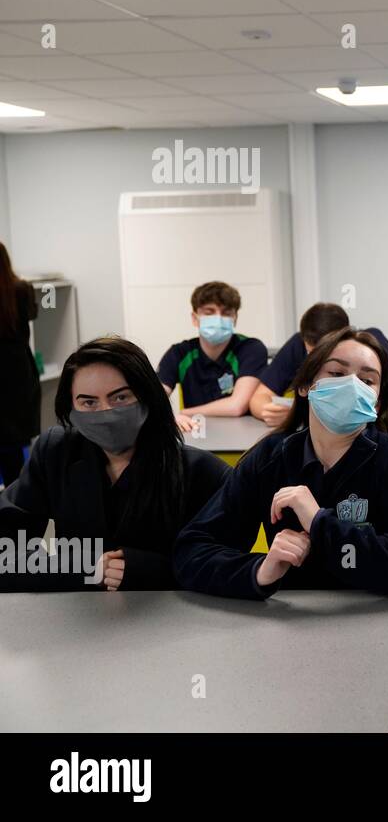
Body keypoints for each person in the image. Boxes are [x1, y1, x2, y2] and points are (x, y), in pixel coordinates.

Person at [173, 327, 388, 600]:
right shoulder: (271, 458)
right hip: (290, 628)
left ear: (377, 403)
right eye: (337, 374)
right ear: (304, 386)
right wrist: (259, 571)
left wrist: (319, 523)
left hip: (379, 625)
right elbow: (191, 553)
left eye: (367, 380)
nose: (352, 385)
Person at [0, 337, 230, 591]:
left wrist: (149, 569)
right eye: (89, 402)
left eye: (120, 398)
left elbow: (228, 566)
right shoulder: (54, 453)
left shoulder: (200, 472)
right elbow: (6, 553)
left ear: (147, 397)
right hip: (78, 620)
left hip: (173, 621)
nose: (105, 412)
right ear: (71, 408)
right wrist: (90, 567)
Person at [251, 302, 388, 425]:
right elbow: (258, 398)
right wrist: (270, 411)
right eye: (312, 353)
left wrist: (356, 410)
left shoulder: (370, 343)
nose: (319, 361)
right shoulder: (297, 344)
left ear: (346, 336)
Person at [156, 281, 267, 432]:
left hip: (244, 437)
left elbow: (236, 406)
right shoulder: (180, 353)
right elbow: (154, 396)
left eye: (226, 313)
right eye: (209, 312)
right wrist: (168, 416)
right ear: (195, 318)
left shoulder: (251, 348)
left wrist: (184, 413)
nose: (219, 319)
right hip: (196, 433)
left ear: (235, 318)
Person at [0, 242, 39, 487]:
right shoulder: (21, 288)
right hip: (17, 372)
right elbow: (34, 313)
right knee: (14, 446)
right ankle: (17, 506)